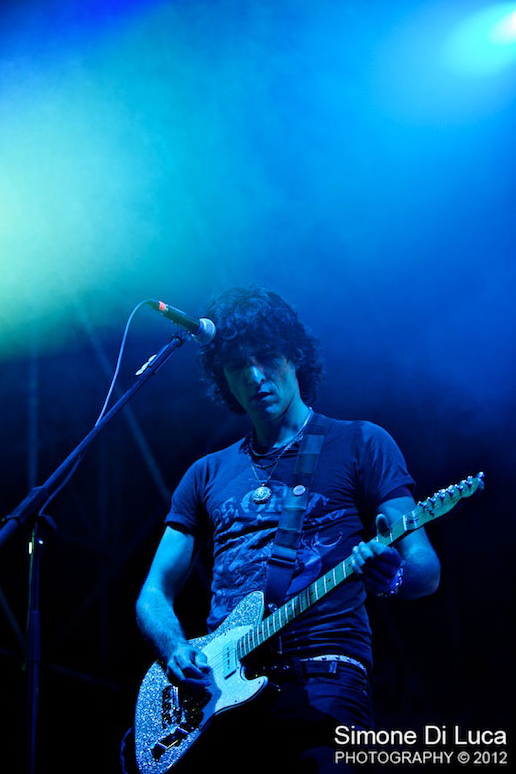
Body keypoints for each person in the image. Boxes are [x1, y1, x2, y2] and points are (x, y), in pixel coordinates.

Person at [135, 286, 441, 773]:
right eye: (237, 365)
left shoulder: (360, 442)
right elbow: (153, 593)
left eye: (267, 357)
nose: (255, 376)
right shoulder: (205, 473)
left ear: (295, 355)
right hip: (222, 694)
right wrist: (175, 649)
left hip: (325, 678)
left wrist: (393, 575)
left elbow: (424, 567)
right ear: (222, 377)